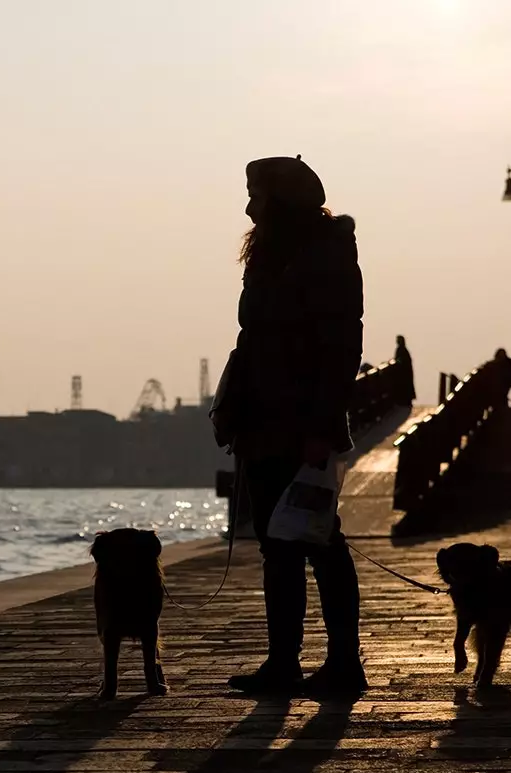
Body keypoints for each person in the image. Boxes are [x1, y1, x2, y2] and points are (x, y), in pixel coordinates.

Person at [210, 155, 367, 697]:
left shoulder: (325, 253)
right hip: (261, 421)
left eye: (259, 195)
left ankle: (345, 662)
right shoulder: (267, 256)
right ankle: (284, 662)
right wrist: (232, 405)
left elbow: (341, 347)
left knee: (320, 541)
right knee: (278, 548)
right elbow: (252, 339)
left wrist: (322, 426)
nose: (250, 206)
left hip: (303, 424)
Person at [394, 335, 416, 404]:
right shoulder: (403, 349)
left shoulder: (401, 349)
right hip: (406, 372)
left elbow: (400, 360)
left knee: (405, 386)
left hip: (404, 373)